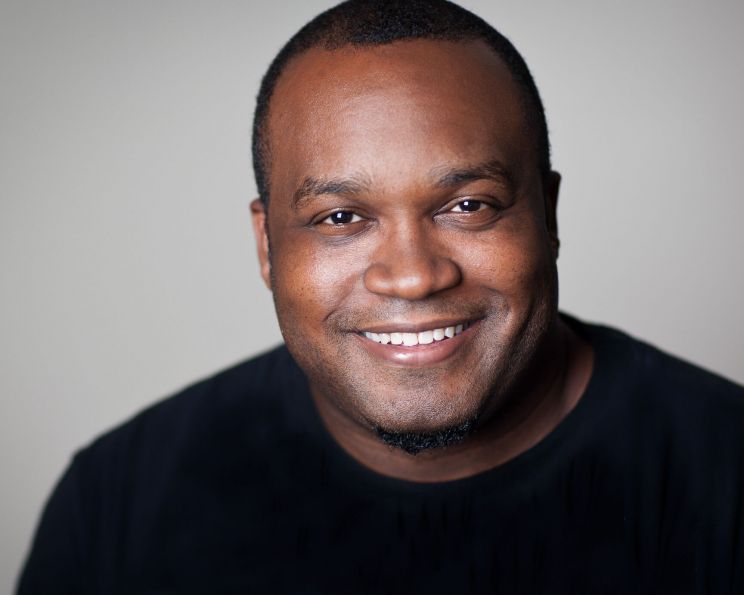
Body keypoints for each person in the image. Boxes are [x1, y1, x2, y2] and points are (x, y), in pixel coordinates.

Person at [17, 0, 744, 593]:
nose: (413, 276)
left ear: (547, 217)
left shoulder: (723, 477)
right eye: (340, 218)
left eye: (469, 206)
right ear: (267, 245)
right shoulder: (118, 502)